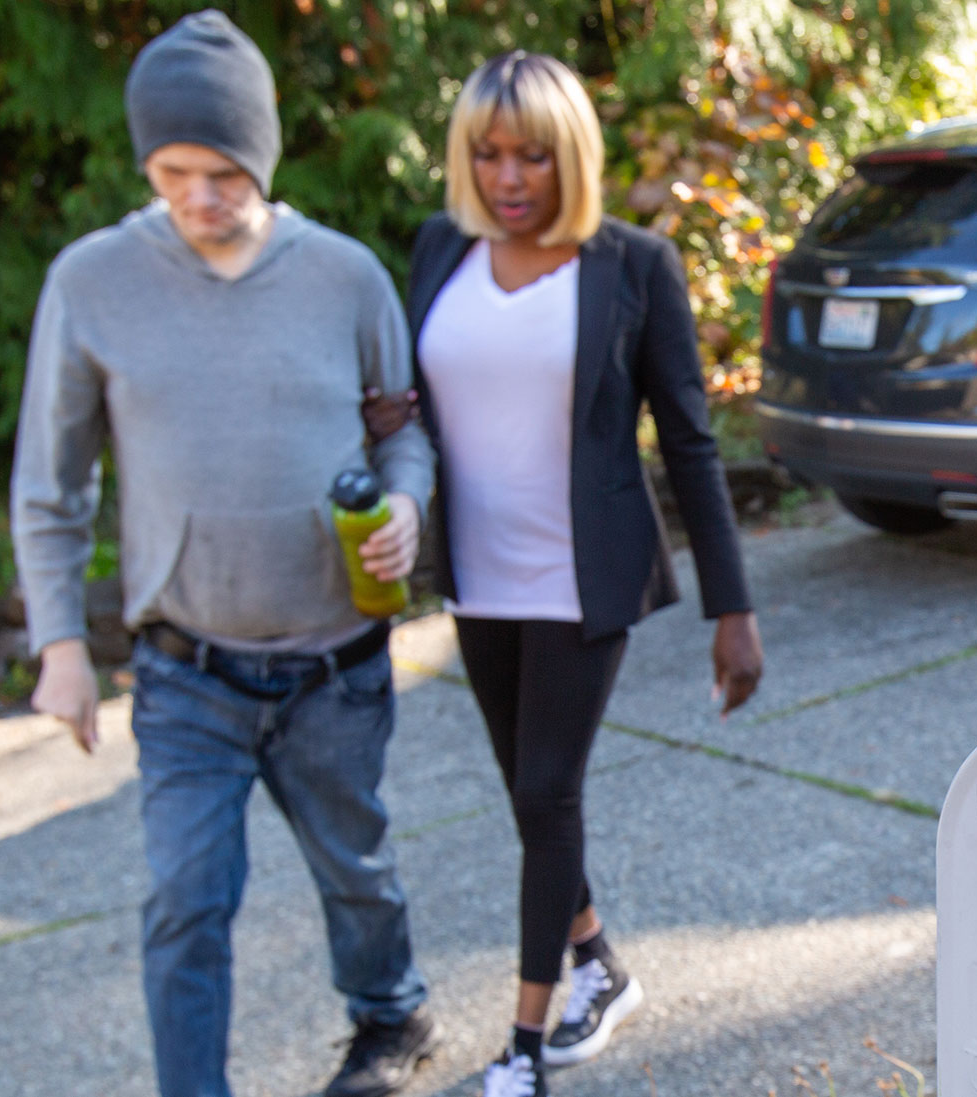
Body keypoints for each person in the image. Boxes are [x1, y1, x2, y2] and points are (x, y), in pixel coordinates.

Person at [10, 12, 441, 1097]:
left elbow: (403, 432)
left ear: (265, 154)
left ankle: (391, 1014)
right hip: (186, 669)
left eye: (224, 172)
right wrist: (60, 644)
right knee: (184, 901)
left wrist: (407, 501)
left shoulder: (344, 276)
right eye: (173, 173)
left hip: (336, 665)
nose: (200, 197)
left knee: (356, 870)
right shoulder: (92, 281)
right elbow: (51, 485)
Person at [373, 50, 764, 1097]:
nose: (508, 178)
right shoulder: (440, 249)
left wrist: (733, 607)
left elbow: (689, 441)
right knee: (528, 795)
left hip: (580, 577)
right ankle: (599, 963)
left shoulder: (633, 264)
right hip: (478, 575)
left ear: (571, 155)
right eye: (488, 154)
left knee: (548, 791)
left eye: (533, 156)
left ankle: (521, 1045)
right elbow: (420, 400)